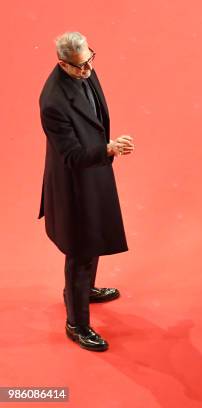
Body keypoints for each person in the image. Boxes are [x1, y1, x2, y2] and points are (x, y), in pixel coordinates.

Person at [38, 32, 135, 351]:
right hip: (74, 183)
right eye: (80, 67)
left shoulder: (86, 68)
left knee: (93, 237)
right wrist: (108, 148)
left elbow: (94, 120)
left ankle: (84, 290)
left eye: (90, 60)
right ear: (62, 63)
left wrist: (105, 150)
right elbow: (70, 156)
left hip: (94, 171)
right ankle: (76, 323)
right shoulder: (53, 102)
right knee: (80, 249)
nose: (88, 70)